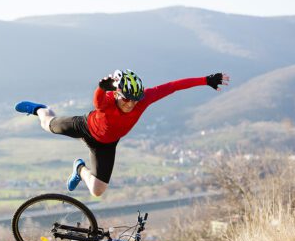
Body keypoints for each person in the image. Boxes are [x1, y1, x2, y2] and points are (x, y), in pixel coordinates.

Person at [15, 70, 230, 197]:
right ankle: (38, 108)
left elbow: (173, 86)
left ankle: (79, 169)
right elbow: (97, 99)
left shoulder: (142, 100)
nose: (131, 104)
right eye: (126, 98)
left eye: (135, 99)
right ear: (117, 94)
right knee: (48, 123)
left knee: (97, 191)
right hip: (85, 127)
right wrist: (102, 87)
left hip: (106, 144)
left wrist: (206, 80)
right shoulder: (106, 101)